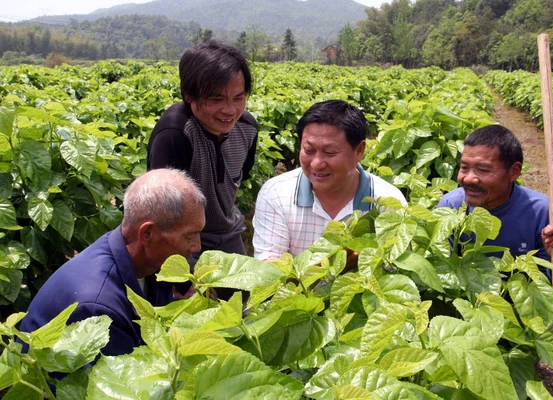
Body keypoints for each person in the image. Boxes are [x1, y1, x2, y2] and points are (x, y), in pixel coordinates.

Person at [19, 169, 207, 356]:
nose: (196, 246)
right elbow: (125, 381)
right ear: (147, 234)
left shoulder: (154, 263)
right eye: (190, 236)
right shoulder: (98, 307)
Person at [252, 100, 407, 261]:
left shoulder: (388, 201)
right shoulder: (276, 193)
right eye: (309, 150)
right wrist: (337, 264)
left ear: (359, 151)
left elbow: (393, 265)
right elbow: (269, 269)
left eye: (330, 152)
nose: (317, 164)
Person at [438, 125, 553, 297]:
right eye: (464, 167)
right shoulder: (451, 205)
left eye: (483, 169)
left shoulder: (540, 211)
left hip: (522, 314)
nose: (468, 178)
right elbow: (442, 275)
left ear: (514, 172)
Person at [147, 40, 257, 257]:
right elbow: (163, 214)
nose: (229, 110)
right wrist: (181, 281)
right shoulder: (175, 134)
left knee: (246, 289)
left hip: (228, 231)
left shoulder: (248, 128)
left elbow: (242, 175)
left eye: (238, 98)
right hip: (182, 238)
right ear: (190, 95)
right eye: (216, 99)